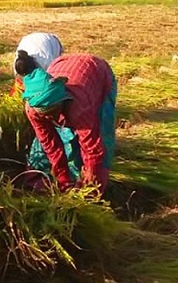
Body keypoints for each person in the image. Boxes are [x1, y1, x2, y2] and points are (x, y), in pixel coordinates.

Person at [20, 54, 117, 196]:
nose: (51, 118)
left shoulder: (80, 106)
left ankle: (97, 188)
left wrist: (90, 187)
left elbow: (92, 149)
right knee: (57, 139)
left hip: (97, 74)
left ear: (63, 100)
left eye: (53, 111)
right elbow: (50, 144)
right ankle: (67, 179)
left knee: (100, 135)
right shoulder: (32, 110)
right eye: (46, 115)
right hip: (62, 64)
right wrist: (63, 180)